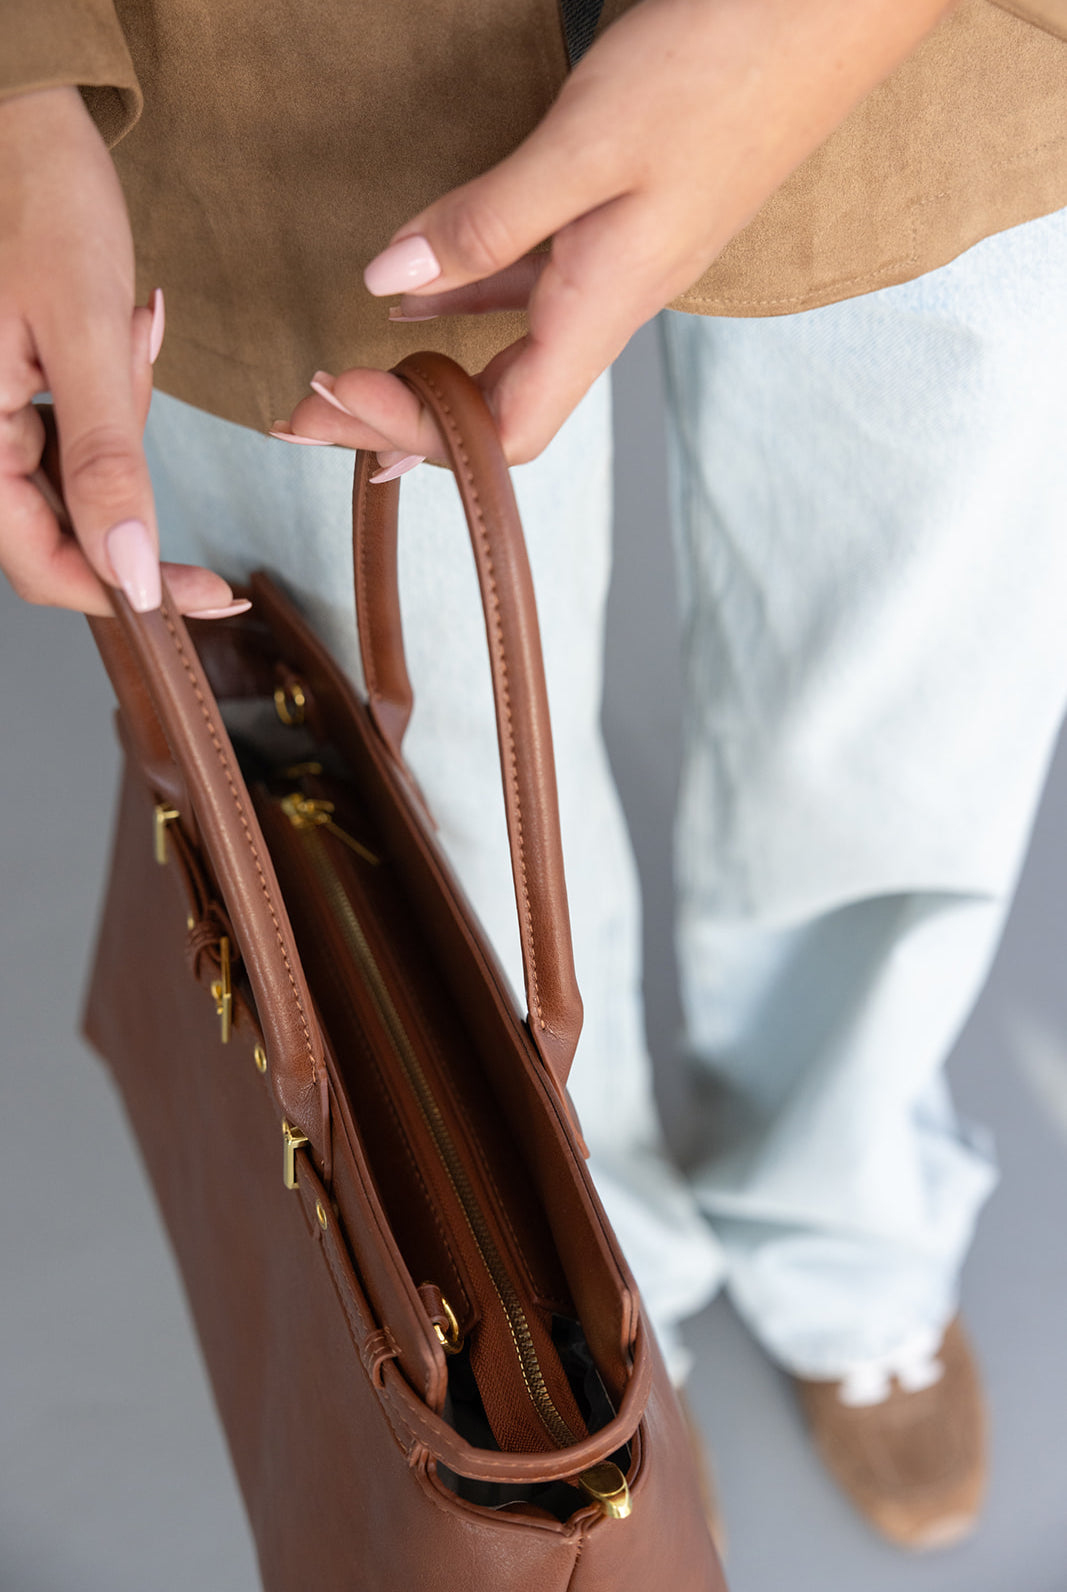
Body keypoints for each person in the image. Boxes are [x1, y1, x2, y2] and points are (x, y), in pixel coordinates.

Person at [3, 0, 1067, 1554]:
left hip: (939, 44)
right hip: (261, 72)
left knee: (901, 720)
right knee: (405, 857)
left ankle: (845, 1208)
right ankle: (589, 1302)